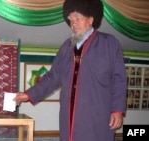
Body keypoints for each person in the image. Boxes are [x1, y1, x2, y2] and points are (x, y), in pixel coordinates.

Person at [14, 0, 127, 141]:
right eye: (70, 20)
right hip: (69, 120)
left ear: (91, 19)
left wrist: (117, 110)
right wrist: (28, 94)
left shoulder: (109, 43)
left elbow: (119, 79)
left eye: (78, 18)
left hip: (97, 117)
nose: (73, 23)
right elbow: (52, 77)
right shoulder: (66, 47)